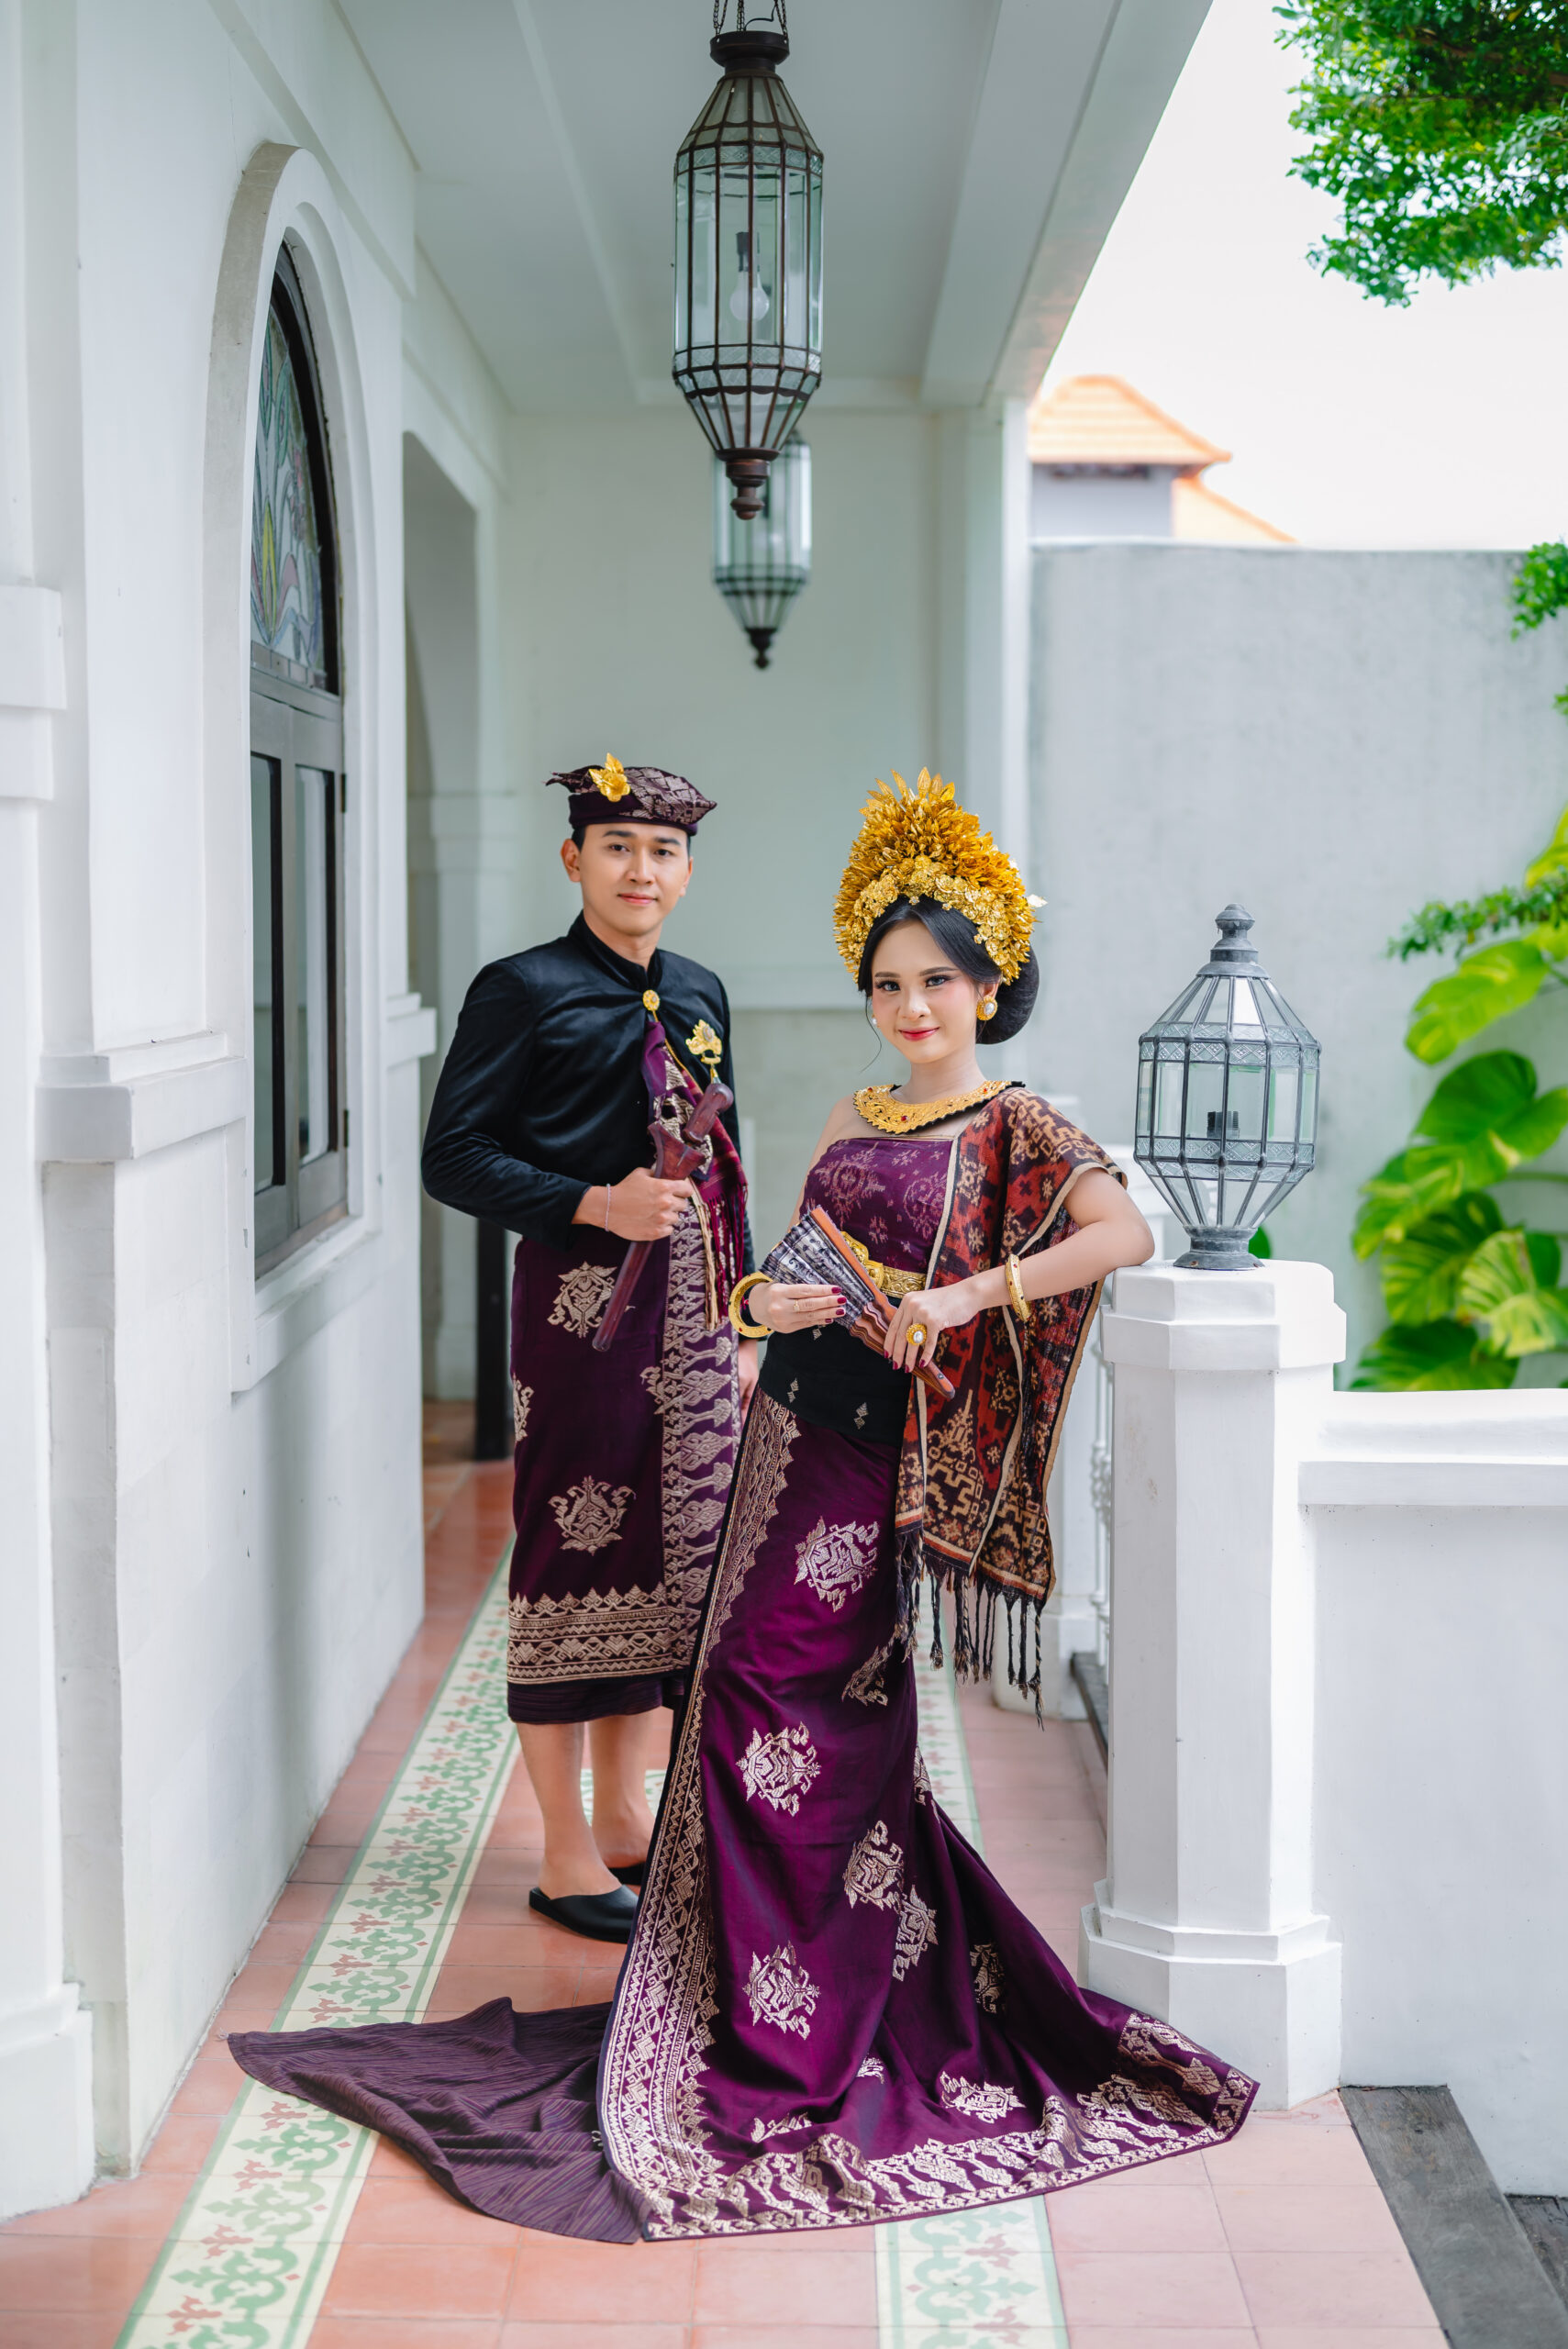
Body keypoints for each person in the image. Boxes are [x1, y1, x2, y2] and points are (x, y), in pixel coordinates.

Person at [233, 769, 1256, 2236]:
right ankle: (714, 1937)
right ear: (577, 858)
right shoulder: (804, 1086)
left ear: (985, 988)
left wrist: (960, 1294)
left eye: (935, 982)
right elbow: (769, 1242)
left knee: (787, 1689)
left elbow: (1122, 1231)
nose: (910, 1006)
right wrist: (760, 1294)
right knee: (688, 1651)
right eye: (887, 984)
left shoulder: (1003, 1117)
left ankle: (810, 1968)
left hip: (853, 1452)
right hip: (752, 1410)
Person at [419, 755, 754, 1945]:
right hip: (578, 1315)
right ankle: (562, 1852)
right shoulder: (521, 990)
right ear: (574, 859)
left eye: (663, 851)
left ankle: (623, 1814)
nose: (640, 870)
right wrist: (591, 1202)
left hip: (694, 1315)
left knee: (672, 1563)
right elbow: (451, 1156)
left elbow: (725, 1164)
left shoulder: (702, 991)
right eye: (617, 846)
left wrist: (743, 1316)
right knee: (574, 1552)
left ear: (688, 871)